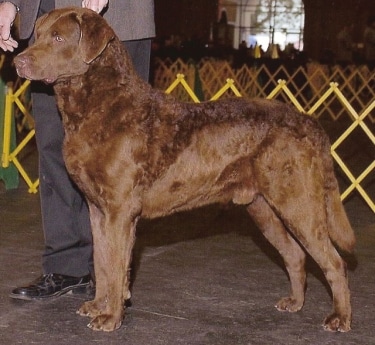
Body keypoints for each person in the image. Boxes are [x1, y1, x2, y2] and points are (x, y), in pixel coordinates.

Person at [0, 0, 155, 300]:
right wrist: (13, 3)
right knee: (55, 152)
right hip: (50, 20)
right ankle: (66, 267)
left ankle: (112, 284)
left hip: (119, 22)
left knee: (121, 166)